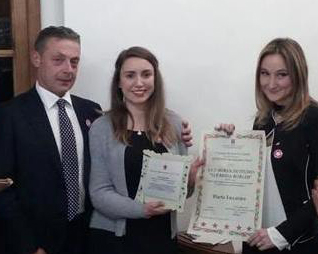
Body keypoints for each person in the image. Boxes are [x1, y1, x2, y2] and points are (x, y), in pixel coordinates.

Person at [88, 46, 203, 254]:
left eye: (146, 75)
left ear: (155, 80)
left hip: (161, 238)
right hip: (114, 240)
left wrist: (191, 181)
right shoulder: (102, 127)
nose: (139, 83)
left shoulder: (174, 123)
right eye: (130, 75)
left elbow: (180, 194)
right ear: (119, 83)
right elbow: (99, 193)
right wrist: (142, 209)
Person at [0, 26, 102, 254]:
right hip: (36, 241)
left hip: (86, 236)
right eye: (59, 60)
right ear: (37, 58)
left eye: (74, 62)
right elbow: (3, 189)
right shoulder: (10, 115)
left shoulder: (92, 111)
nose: (69, 70)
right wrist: (28, 246)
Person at [226, 38, 318, 253]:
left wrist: (280, 235)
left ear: (298, 75)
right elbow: (254, 179)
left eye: (282, 75)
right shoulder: (263, 120)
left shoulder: (314, 119)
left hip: (299, 243)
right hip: (259, 240)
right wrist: (226, 142)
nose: (271, 83)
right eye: (265, 73)